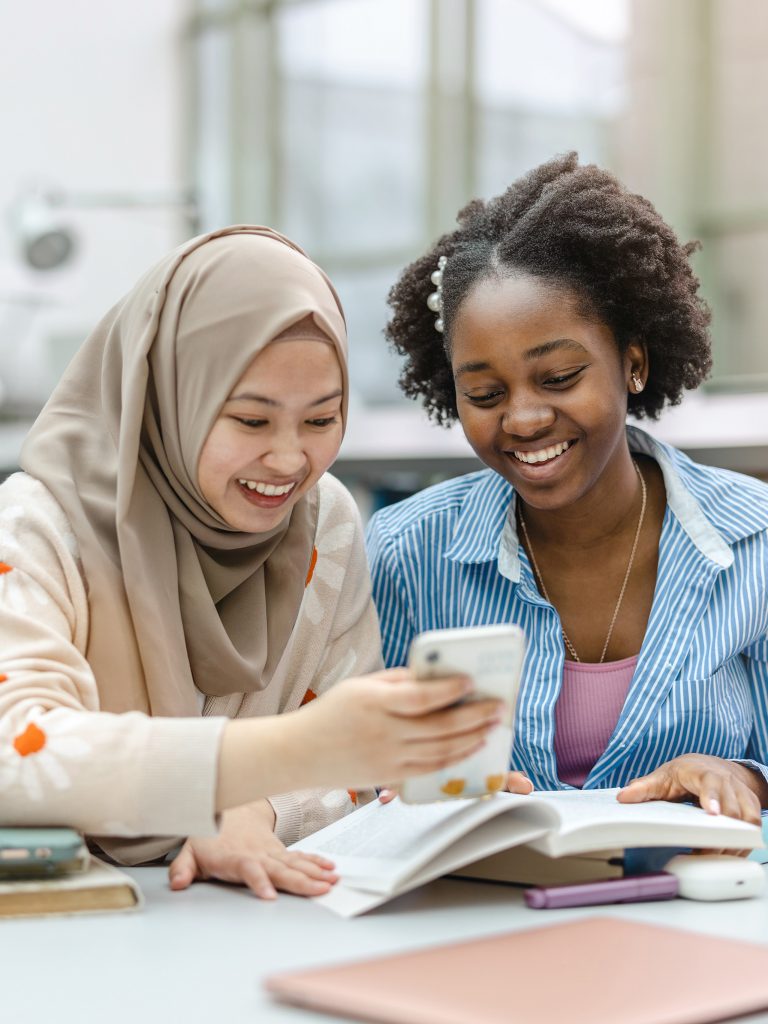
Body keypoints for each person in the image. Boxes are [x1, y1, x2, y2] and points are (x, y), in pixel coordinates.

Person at [0, 226, 503, 899]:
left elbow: (355, 769)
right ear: (168, 396)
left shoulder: (324, 520)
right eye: (251, 421)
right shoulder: (40, 524)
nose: (290, 460)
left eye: (320, 421)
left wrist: (256, 810)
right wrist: (276, 759)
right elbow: (16, 751)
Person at [367, 153, 768, 826]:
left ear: (632, 363)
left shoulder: (757, 538)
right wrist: (406, 789)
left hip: (697, 889)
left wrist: (744, 779)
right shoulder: (406, 551)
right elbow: (353, 776)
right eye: (485, 394)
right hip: (487, 890)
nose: (523, 419)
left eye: (558, 378)